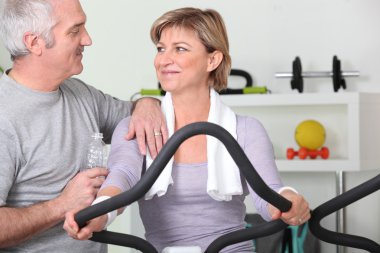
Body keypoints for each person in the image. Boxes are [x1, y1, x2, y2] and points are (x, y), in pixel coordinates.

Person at [63, 7, 311, 253]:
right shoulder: (134, 127)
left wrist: (290, 199)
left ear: (212, 59)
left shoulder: (245, 130)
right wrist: (98, 214)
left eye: (180, 49)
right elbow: (121, 178)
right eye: (161, 49)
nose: (164, 59)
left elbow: (270, 195)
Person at [0, 0, 168, 252]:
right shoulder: (5, 116)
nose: (87, 40)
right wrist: (62, 204)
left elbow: (136, 117)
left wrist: (146, 103)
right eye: (74, 30)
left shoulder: (80, 94)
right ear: (34, 42)